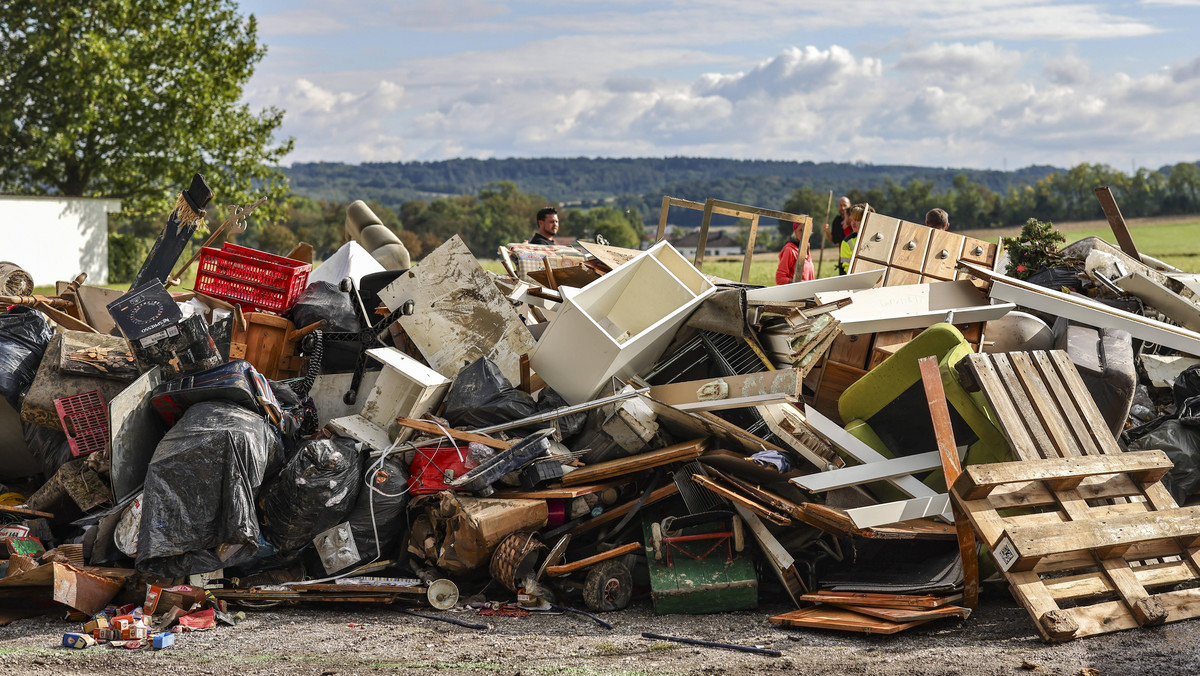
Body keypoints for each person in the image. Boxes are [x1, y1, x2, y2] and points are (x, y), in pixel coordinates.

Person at [838, 203, 874, 275]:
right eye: (852, 220)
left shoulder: (876, 238)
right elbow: (847, 269)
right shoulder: (847, 242)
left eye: (857, 220)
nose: (853, 223)